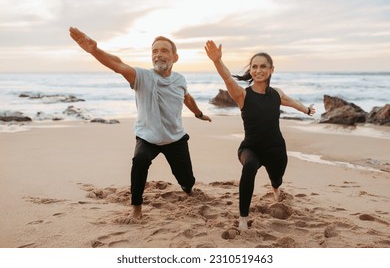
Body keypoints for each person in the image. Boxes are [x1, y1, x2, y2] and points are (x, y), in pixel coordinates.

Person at [69, 27, 211, 219]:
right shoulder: (142, 77)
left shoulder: (179, 79)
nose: (158, 55)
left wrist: (199, 113)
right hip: (148, 136)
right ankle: (136, 207)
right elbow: (117, 64)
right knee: (140, 160)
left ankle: (188, 189)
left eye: (164, 51)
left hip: (175, 138)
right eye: (154, 51)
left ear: (175, 57)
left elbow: (187, 98)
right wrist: (95, 50)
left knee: (187, 180)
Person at [205, 40, 316, 230]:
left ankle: (275, 188)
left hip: (275, 148)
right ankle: (242, 219)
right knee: (249, 167)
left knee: (277, 178)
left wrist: (306, 110)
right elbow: (228, 79)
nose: (258, 70)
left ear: (271, 70)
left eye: (263, 66)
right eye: (254, 66)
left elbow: (291, 102)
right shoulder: (242, 95)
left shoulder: (276, 94)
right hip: (250, 147)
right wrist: (217, 61)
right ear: (250, 70)